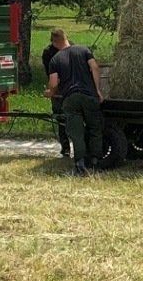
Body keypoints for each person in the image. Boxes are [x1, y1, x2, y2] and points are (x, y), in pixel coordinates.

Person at [45, 28, 105, 175]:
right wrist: (97, 90)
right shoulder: (84, 50)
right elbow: (95, 68)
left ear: (54, 42)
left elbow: (53, 83)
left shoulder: (55, 59)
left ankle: (80, 165)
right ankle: (95, 162)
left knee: (76, 133)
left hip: (70, 99)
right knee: (95, 128)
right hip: (89, 95)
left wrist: (49, 93)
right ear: (66, 37)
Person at [41, 36, 71, 159]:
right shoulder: (50, 52)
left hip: (61, 88)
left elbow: (51, 75)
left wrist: (52, 90)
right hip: (68, 87)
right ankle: (66, 147)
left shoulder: (49, 53)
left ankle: (66, 148)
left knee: (61, 118)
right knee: (62, 118)